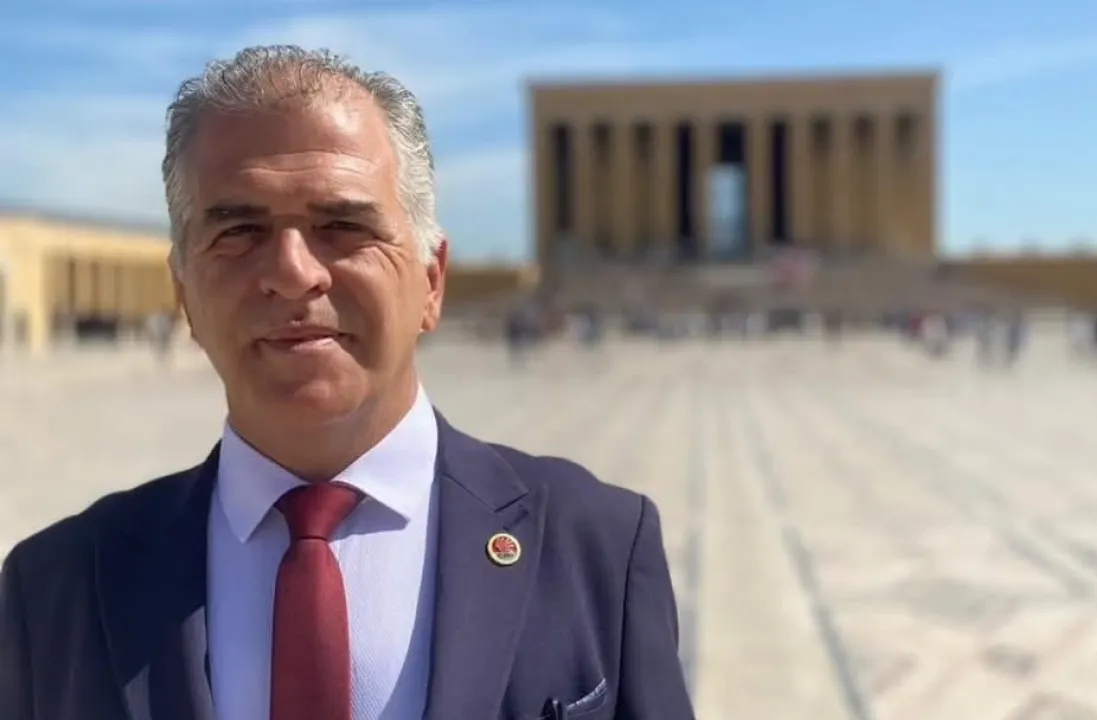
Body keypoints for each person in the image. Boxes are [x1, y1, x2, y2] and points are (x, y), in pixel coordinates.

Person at [0, 46, 695, 720]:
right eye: (239, 231)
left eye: (342, 225)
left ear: (431, 280)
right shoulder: (58, 588)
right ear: (183, 291)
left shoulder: (597, 548)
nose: (293, 272)